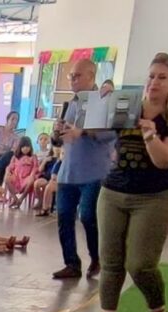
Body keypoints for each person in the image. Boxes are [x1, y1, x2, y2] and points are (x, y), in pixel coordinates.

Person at [87, 53, 168, 312]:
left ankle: (158, 310)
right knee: (111, 260)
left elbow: (166, 161)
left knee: (140, 264)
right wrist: (98, 103)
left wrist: (150, 136)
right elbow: (95, 135)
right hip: (113, 192)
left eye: (162, 77)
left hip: (153, 197)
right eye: (151, 76)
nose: (154, 82)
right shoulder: (127, 106)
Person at [51, 59, 115, 280]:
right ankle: (72, 263)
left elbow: (111, 134)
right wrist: (56, 134)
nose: (73, 80)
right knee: (64, 217)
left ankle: (97, 258)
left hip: (94, 173)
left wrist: (84, 131)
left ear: (91, 76)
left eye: (77, 76)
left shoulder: (104, 101)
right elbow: (59, 141)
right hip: (68, 172)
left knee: (88, 216)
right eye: (71, 76)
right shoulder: (69, 104)